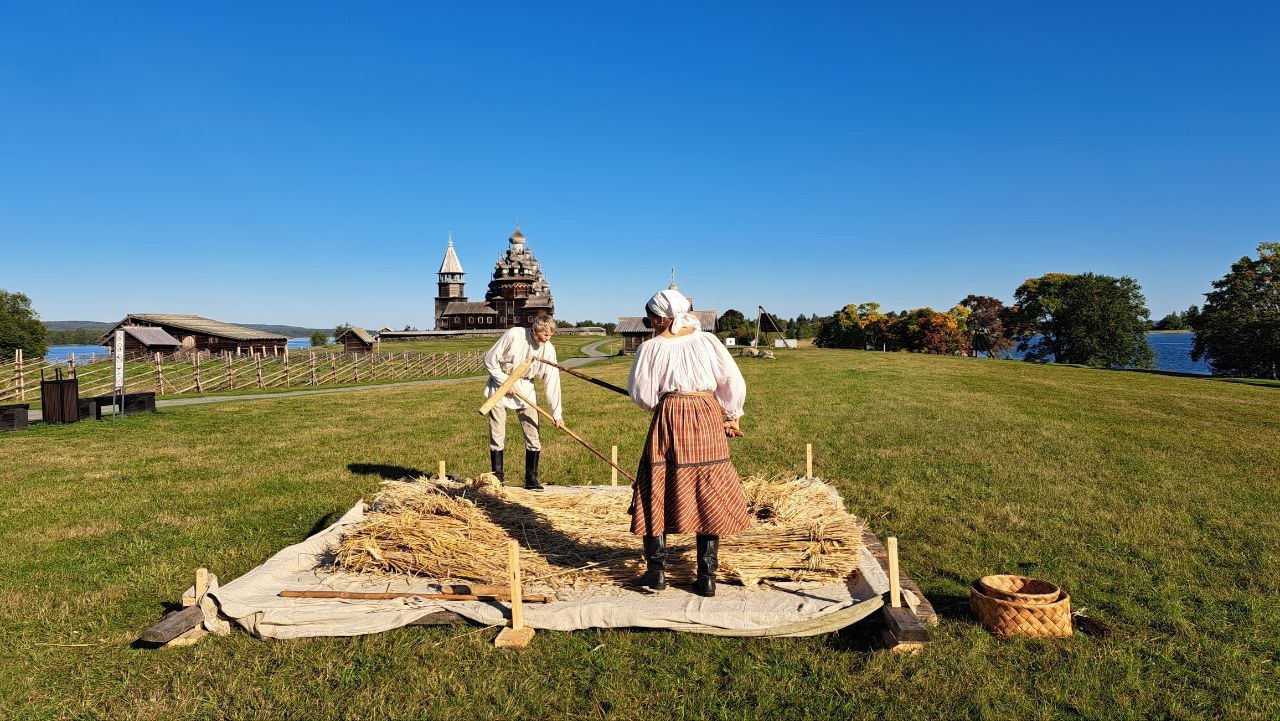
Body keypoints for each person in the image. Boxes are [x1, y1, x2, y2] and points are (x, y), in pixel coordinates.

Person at [626, 289, 749, 597]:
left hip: (670, 415)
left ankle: (656, 574)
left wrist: (664, 400)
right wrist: (731, 416)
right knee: (707, 488)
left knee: (658, 485)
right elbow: (731, 380)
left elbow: (642, 395)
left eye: (651, 319)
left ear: (658, 318)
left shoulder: (651, 348)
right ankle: (706, 578)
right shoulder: (707, 341)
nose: (650, 324)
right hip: (707, 413)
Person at [484, 316, 564, 490]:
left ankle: (531, 478)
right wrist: (505, 382)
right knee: (497, 435)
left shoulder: (548, 349)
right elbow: (489, 359)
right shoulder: (514, 335)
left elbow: (552, 381)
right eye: (544, 335)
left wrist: (556, 414)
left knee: (533, 435)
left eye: (550, 336)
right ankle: (498, 480)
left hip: (526, 389)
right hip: (499, 387)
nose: (547, 339)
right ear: (534, 330)